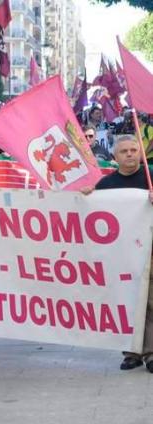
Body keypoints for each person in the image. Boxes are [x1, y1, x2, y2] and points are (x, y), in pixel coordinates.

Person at [81, 135, 153, 372]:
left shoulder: (151, 176)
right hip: (121, 254)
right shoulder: (106, 185)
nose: (130, 154)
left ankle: (150, 352)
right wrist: (87, 196)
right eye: (124, 151)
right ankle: (131, 353)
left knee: (149, 303)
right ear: (115, 156)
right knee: (127, 301)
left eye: (134, 150)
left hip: (149, 251)